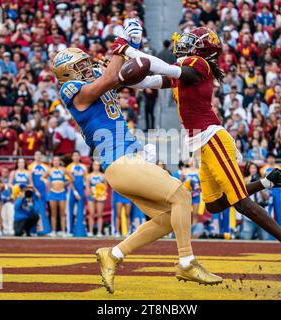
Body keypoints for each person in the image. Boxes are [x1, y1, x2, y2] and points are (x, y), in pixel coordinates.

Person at [113, 26, 281, 280]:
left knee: (240, 203)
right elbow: (146, 80)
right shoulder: (185, 68)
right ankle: (268, 181)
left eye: (191, 40)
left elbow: (161, 67)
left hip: (212, 138)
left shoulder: (199, 64)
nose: (183, 42)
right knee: (215, 204)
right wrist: (120, 75)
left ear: (201, 48)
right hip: (201, 143)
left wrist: (128, 48)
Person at [52, 46, 222, 294]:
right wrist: (123, 43)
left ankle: (114, 254)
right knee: (182, 197)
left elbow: (137, 76)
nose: (87, 67)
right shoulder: (70, 89)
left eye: (85, 63)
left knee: (168, 219)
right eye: (79, 67)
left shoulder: (97, 76)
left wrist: (180, 78)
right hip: (121, 161)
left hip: (128, 162)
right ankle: (186, 262)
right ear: (66, 74)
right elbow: (112, 77)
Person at [44, 156, 77, 237]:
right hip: (53, 193)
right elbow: (42, 178)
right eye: (54, 160)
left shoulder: (63, 169)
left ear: (59, 162)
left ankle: (63, 231)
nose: (56, 162)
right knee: (53, 213)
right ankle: (53, 231)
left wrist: (65, 183)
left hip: (62, 193)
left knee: (62, 213)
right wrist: (47, 181)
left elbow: (72, 178)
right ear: (52, 162)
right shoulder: (49, 170)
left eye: (57, 160)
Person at [240, 162, 269, 240]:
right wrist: (250, 183)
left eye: (254, 168)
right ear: (248, 170)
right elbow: (242, 195)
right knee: (247, 236)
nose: (253, 170)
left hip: (261, 209)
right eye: (251, 168)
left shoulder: (262, 181)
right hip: (249, 210)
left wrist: (259, 186)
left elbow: (266, 197)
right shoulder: (244, 180)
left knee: (265, 237)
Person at [28, 151, 51, 235]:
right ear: (34, 156)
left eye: (39, 155)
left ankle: (44, 230)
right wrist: (35, 191)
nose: (38, 156)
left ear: (41, 156)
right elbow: (30, 181)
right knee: (34, 210)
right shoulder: (31, 166)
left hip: (43, 192)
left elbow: (48, 180)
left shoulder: (46, 167)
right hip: (35, 192)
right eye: (36, 154)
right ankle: (33, 230)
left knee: (43, 210)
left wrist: (47, 190)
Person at [66, 151, 87, 236]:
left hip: (81, 191)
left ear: (79, 157)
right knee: (70, 211)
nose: (75, 157)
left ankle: (80, 230)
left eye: (77, 155)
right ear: (72, 157)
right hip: (72, 191)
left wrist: (85, 190)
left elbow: (86, 180)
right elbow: (69, 181)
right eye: (74, 155)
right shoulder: (69, 167)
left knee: (81, 210)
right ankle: (69, 231)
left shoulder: (83, 167)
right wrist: (75, 192)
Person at [181, 158, 202, 238]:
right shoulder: (184, 171)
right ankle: (187, 232)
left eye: (193, 160)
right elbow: (180, 183)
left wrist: (197, 188)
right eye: (190, 160)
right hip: (187, 195)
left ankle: (194, 233)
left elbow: (202, 184)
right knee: (188, 214)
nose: (192, 162)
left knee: (195, 214)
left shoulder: (198, 171)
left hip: (196, 195)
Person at [86, 161, 107, 237]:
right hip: (91, 196)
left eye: (98, 165)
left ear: (99, 166)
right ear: (92, 166)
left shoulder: (103, 176)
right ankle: (90, 231)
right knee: (91, 214)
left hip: (100, 197)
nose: (96, 166)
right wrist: (92, 194)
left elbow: (105, 186)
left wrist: (101, 194)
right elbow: (87, 187)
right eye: (95, 165)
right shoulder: (89, 176)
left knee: (99, 214)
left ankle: (99, 232)